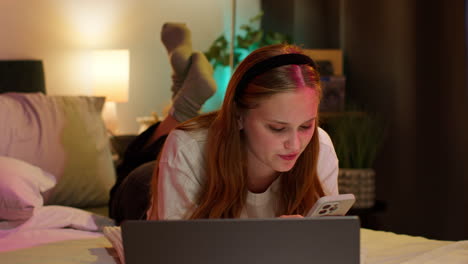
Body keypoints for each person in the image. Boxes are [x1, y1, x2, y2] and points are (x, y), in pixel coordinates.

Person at [146, 44, 339, 220]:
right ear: (238, 115)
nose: (295, 145)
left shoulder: (320, 147)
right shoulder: (188, 149)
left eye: (306, 126)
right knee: (138, 156)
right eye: (277, 128)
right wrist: (265, 241)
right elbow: (175, 250)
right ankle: (181, 100)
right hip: (141, 187)